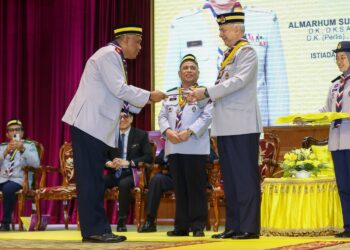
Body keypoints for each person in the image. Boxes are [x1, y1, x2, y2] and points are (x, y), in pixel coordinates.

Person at [62, 24, 166, 243]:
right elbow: (120, 90)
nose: (139, 47)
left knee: (94, 180)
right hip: (89, 124)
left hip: (94, 126)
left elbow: (118, 95)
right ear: (126, 40)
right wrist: (150, 96)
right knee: (91, 180)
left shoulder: (113, 56)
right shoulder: (109, 55)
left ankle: (97, 229)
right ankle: (95, 231)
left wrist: (146, 99)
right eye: (137, 42)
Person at [190, 7, 262, 239]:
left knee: (244, 177)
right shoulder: (230, 55)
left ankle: (249, 227)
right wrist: (201, 97)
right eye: (220, 29)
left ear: (237, 28)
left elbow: (238, 82)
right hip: (226, 126)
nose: (221, 33)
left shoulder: (247, 51)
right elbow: (224, 89)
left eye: (223, 29)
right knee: (230, 179)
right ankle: (234, 226)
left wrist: (206, 92)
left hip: (242, 125)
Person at [164, 0, 288, 126]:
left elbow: (277, 85)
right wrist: (172, 128)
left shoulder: (265, 20)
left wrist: (279, 131)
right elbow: (173, 85)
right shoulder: (182, 23)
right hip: (199, 127)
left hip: (248, 124)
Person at [159, 54, 212, 237]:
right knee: (180, 188)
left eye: (192, 68)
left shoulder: (204, 93)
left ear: (198, 72)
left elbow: (207, 116)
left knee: (196, 188)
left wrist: (188, 131)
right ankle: (181, 226)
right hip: (174, 147)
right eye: (185, 67)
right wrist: (167, 132)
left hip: (195, 147)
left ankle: (198, 226)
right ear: (179, 72)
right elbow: (162, 116)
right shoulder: (171, 93)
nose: (189, 70)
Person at [138, 143, 218, 233]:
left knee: (193, 182)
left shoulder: (197, 140)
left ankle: (195, 225)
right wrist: (168, 156)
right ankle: (150, 221)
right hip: (173, 176)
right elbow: (159, 159)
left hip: (193, 175)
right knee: (156, 180)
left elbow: (213, 158)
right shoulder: (174, 141)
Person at [318, 41, 350, 238]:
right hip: (337, 143)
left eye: (343, 57)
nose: (339, 61)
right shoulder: (335, 85)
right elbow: (326, 110)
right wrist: (305, 118)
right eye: (337, 58)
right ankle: (348, 226)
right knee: (344, 186)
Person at [103, 108, 152, 232]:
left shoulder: (141, 135)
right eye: (119, 117)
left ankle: (121, 221)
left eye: (125, 117)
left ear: (131, 119)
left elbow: (148, 156)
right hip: (115, 172)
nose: (122, 120)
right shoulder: (110, 135)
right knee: (98, 181)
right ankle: (97, 219)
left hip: (133, 173)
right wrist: (109, 163)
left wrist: (129, 163)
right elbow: (102, 155)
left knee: (123, 184)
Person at [0, 119, 40, 231]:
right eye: (11, 130)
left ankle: (5, 223)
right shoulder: (2, 147)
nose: (14, 132)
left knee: (8, 189)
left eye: (17, 130)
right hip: (2, 179)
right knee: (7, 187)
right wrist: (5, 153)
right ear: (7, 134)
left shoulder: (29, 145)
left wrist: (22, 149)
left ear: (22, 133)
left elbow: (36, 164)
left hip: (20, 179)